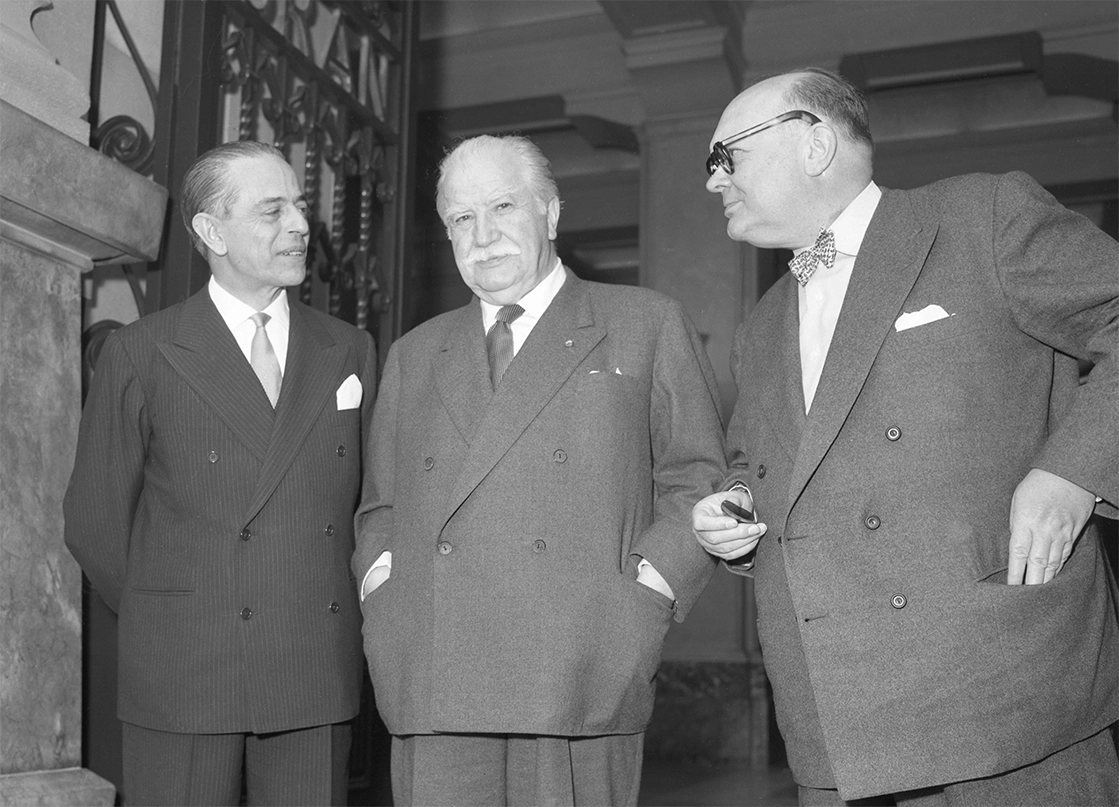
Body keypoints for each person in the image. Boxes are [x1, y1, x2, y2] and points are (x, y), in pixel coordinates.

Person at [692, 67, 1119, 806]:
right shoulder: (759, 325)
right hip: (833, 718)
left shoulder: (980, 217)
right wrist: (730, 506)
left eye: (725, 154)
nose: (711, 181)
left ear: (814, 142)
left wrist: (1071, 473)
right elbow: (758, 462)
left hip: (1001, 702)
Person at [352, 134, 725, 806]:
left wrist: (646, 591)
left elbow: (695, 474)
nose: (483, 235)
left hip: (578, 662)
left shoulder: (642, 322)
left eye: (502, 207)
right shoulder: (415, 351)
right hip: (436, 665)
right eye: (461, 219)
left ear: (550, 213)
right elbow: (381, 504)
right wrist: (384, 589)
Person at [64, 140, 376, 807]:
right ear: (211, 230)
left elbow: (368, 505)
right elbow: (94, 522)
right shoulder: (142, 350)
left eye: (299, 204)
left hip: (310, 664)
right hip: (186, 669)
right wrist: (178, 607)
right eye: (273, 210)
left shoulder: (348, 347)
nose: (300, 224)